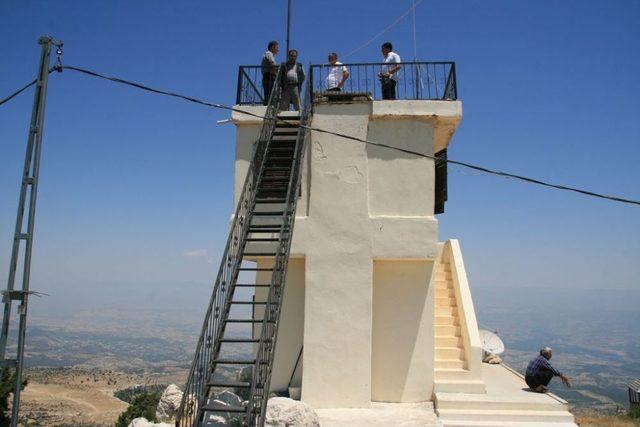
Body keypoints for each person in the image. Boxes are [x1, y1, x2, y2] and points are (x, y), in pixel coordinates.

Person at [261, 41, 279, 105]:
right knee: (269, 93)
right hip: (269, 76)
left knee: (269, 93)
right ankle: (268, 105)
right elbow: (272, 63)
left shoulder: (270, 54)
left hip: (269, 76)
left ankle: (269, 104)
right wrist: (279, 69)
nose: (278, 49)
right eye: (277, 47)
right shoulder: (269, 53)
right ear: (272, 47)